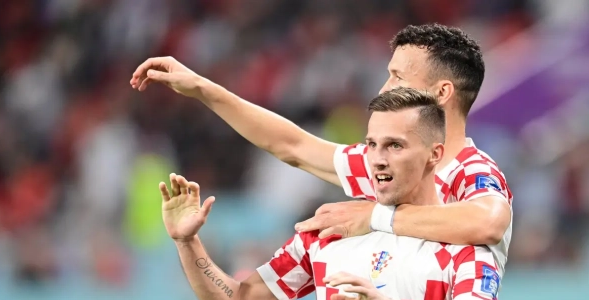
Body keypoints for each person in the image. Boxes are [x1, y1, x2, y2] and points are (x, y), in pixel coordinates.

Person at [158, 88, 507, 300]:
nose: (378, 158)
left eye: (395, 146)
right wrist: (187, 243)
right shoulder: (330, 233)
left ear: (434, 154)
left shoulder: (464, 248)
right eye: (371, 144)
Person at [130, 23, 513, 275]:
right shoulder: (384, 164)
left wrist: (375, 217)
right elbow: (292, 145)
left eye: (397, 76)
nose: (384, 88)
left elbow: (489, 223)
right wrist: (202, 88)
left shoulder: (474, 171)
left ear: (442, 92)